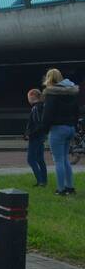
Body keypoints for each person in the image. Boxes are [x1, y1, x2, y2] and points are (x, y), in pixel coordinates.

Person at [41, 68, 79, 196]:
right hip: (70, 128)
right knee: (65, 159)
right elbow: (76, 111)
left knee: (58, 160)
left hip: (57, 129)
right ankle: (70, 187)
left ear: (49, 79)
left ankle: (61, 189)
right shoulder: (72, 92)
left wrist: (44, 130)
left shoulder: (51, 94)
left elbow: (48, 115)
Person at [25, 88, 47, 187]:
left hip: (35, 136)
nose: (28, 100)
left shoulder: (36, 108)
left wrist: (29, 134)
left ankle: (40, 181)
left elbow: (37, 123)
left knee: (31, 159)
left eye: (28, 97)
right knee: (40, 159)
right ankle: (44, 180)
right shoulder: (43, 106)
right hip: (41, 135)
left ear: (32, 96)